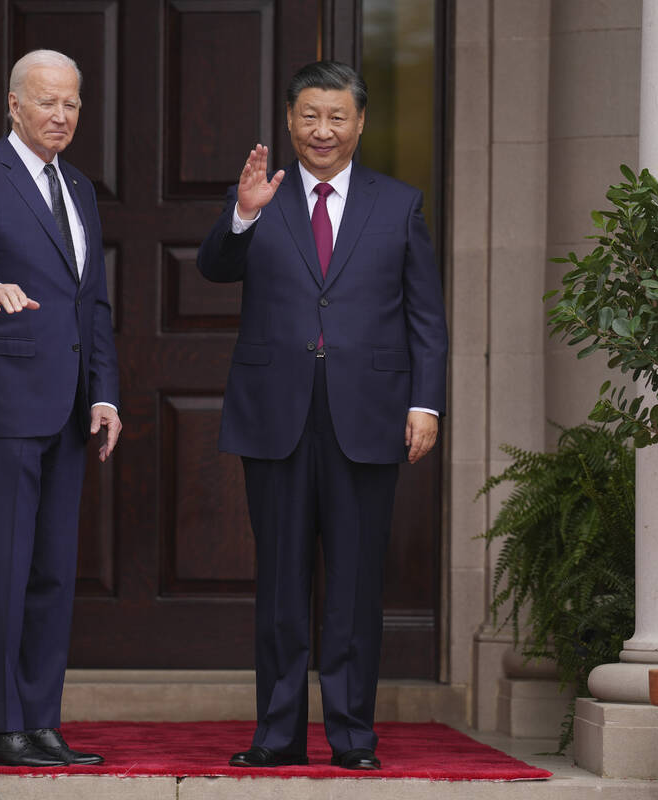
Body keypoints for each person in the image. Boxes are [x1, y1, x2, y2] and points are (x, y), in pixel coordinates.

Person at [197, 60, 448, 771]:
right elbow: (213, 267)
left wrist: (424, 402)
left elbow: (426, 318)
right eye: (310, 116)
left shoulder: (398, 204)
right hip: (275, 412)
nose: (323, 130)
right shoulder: (260, 196)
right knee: (280, 583)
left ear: (360, 123)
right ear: (289, 120)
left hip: (367, 414)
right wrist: (242, 214)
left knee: (355, 586)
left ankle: (352, 737)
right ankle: (275, 735)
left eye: (338, 117)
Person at [0, 49, 120, 768]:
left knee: (52, 575)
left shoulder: (79, 187)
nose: (62, 116)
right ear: (14, 105)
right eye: (47, 102)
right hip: (4, 405)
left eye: (72, 103)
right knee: (7, 569)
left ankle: (39, 724)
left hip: (69, 409)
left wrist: (104, 393)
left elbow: (91, 303)